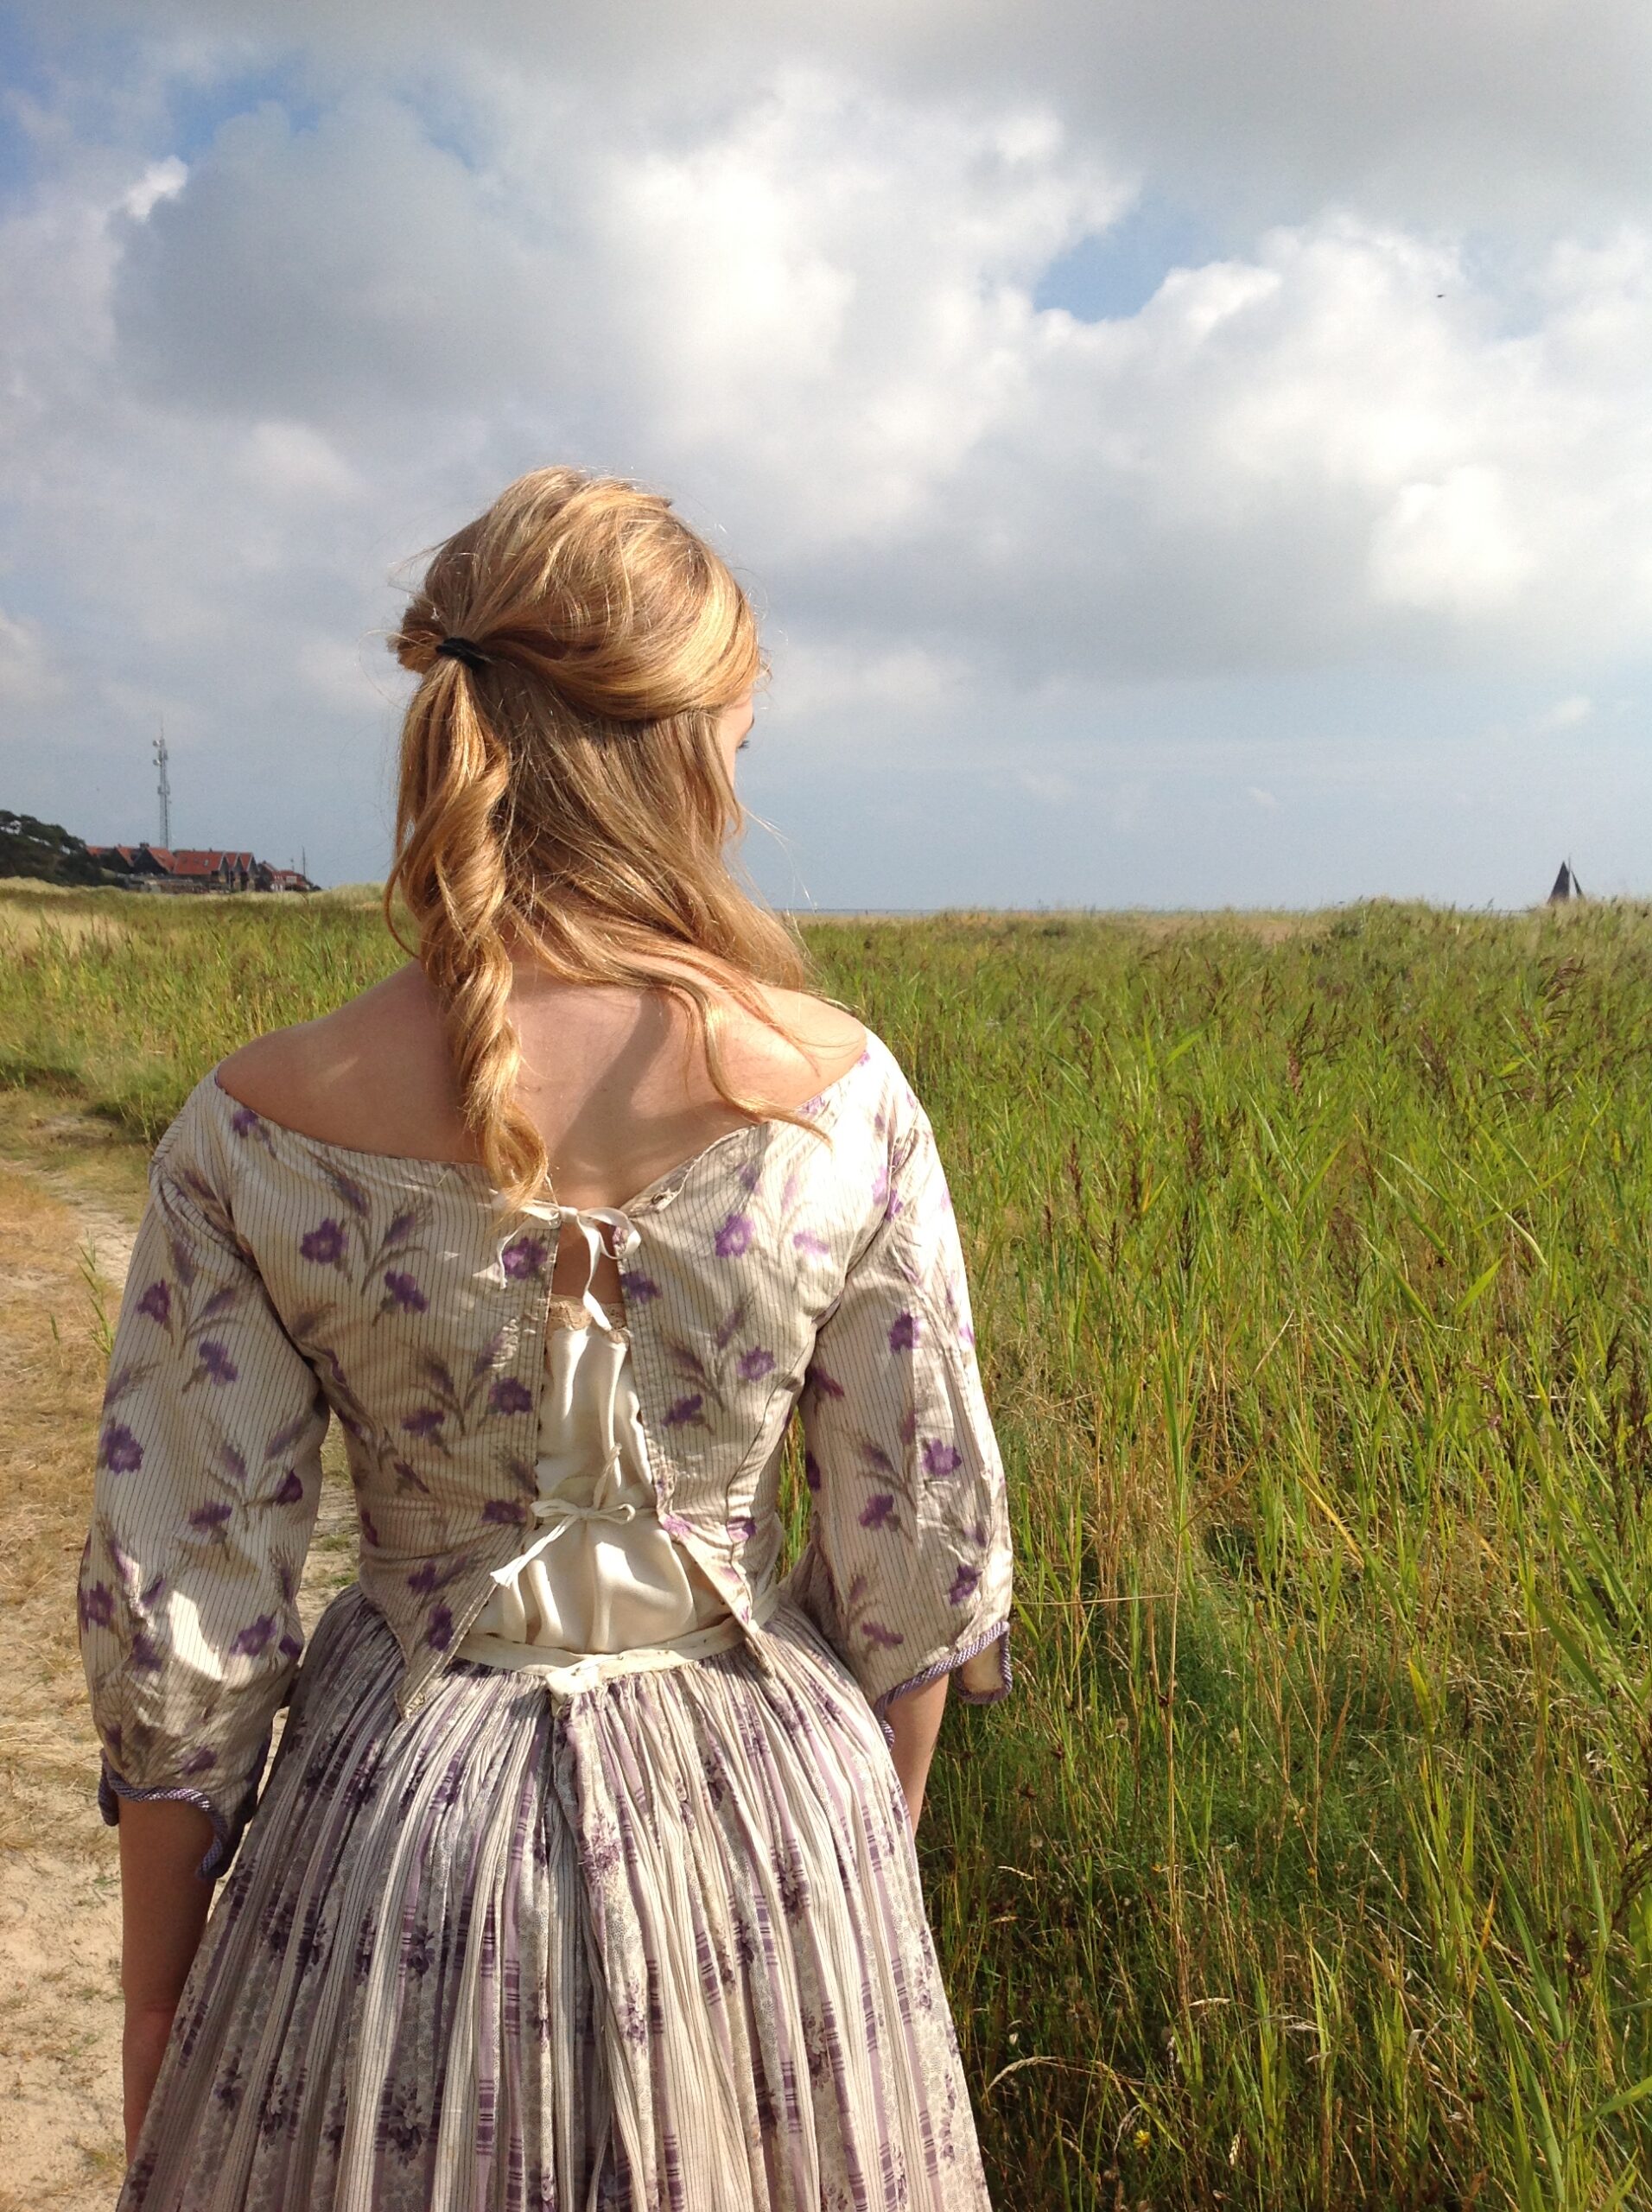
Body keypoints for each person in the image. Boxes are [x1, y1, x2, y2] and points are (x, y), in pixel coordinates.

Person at [78, 465, 1016, 2209]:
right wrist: (849, 1877)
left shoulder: (256, 1119)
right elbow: (917, 1559)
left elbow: (185, 1603)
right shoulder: (846, 1095)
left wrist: (154, 1993)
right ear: (679, 745)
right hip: (771, 1823)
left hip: (394, 1841)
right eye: (737, 734)